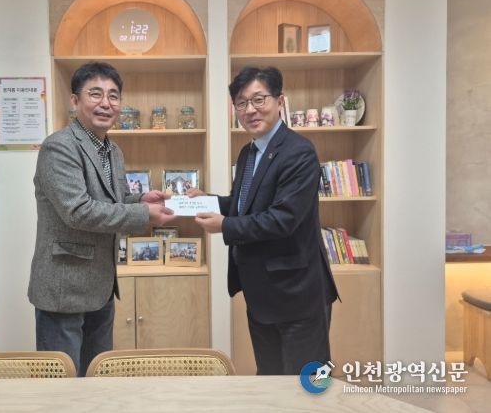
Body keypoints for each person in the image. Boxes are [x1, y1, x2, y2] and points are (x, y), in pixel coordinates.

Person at [28, 62, 175, 376]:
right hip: (64, 289)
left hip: (101, 287)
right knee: (63, 385)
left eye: (113, 95)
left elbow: (112, 202)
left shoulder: (113, 150)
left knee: (97, 379)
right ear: (75, 101)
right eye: (95, 94)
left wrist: (141, 200)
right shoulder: (59, 147)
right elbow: (78, 211)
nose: (106, 103)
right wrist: (142, 214)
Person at [190, 66, 338, 375]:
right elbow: (244, 205)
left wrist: (224, 226)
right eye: (241, 103)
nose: (250, 110)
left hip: (296, 294)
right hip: (261, 294)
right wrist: (206, 201)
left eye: (259, 99)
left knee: (305, 385)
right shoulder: (249, 152)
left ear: (279, 101)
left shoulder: (299, 152)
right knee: (269, 380)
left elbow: (282, 219)